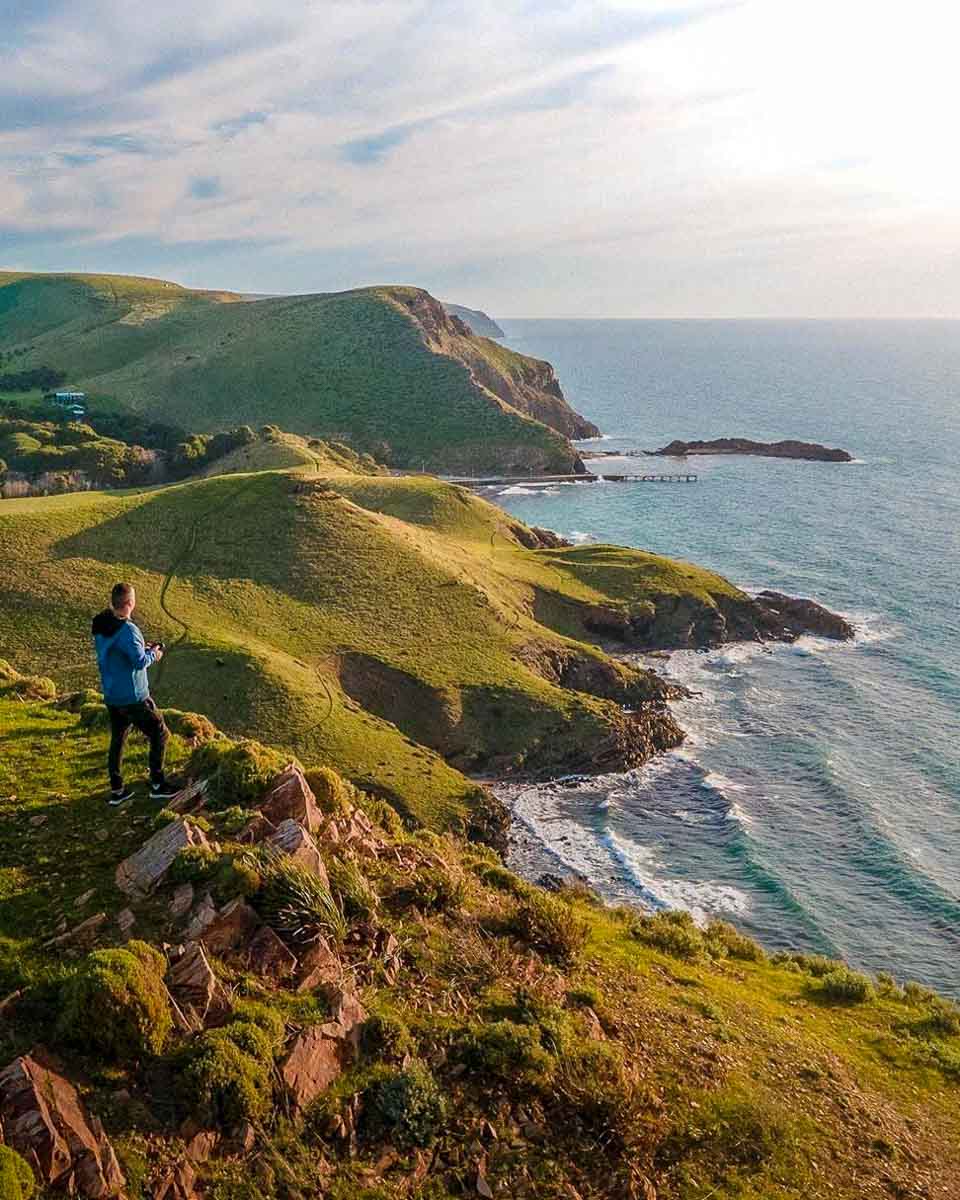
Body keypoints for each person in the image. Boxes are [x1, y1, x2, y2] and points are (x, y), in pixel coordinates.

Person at [91, 582, 177, 804]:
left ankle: (117, 791)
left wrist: (142, 647)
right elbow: (139, 662)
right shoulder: (129, 630)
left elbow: (119, 652)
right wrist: (153, 654)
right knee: (160, 733)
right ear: (130, 603)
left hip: (112, 694)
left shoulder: (102, 625)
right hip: (133, 696)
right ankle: (158, 784)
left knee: (118, 739)